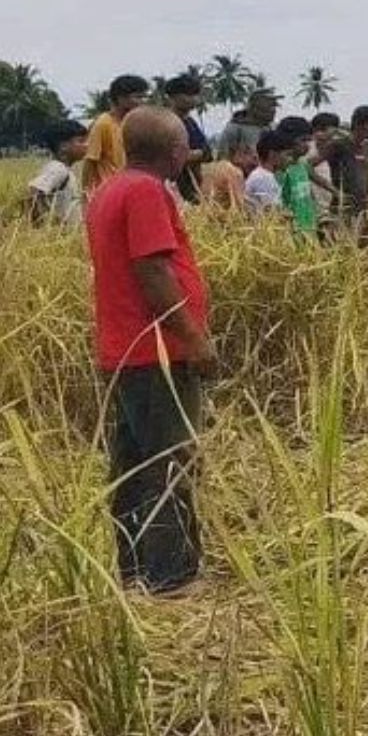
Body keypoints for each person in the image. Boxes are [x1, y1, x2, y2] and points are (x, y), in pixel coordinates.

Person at [85, 106, 213, 594]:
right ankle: (171, 576)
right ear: (175, 151)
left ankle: (135, 568)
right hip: (155, 351)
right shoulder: (145, 191)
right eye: (185, 146)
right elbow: (153, 271)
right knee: (170, 463)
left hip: (124, 349)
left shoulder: (110, 189)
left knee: (134, 465)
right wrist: (193, 338)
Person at [82, 74, 151, 195]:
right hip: (108, 191)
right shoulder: (103, 124)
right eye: (138, 97)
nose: (142, 102)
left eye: (144, 97)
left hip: (128, 189)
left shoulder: (134, 124)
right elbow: (90, 161)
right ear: (121, 98)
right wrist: (86, 193)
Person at [327, 106, 368, 246]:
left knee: (365, 246)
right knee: (342, 248)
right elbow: (309, 167)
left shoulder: (367, 147)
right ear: (359, 124)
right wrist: (335, 192)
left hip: (363, 208)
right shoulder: (339, 145)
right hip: (343, 209)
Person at [26, 119, 88, 226]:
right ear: (63, 146)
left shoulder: (64, 169)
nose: (86, 145)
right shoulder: (58, 169)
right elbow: (34, 191)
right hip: (61, 233)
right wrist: (38, 224)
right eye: (81, 141)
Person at [164, 74, 210, 202]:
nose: (193, 99)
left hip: (193, 183)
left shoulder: (191, 123)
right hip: (173, 183)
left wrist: (194, 154)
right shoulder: (164, 123)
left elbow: (207, 152)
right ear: (173, 97)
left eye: (195, 94)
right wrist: (191, 155)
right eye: (188, 95)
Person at [274, 117, 320, 239]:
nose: (307, 145)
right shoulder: (280, 170)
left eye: (309, 140)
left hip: (309, 228)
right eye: (303, 140)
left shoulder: (302, 165)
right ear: (288, 140)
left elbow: (309, 196)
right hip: (290, 232)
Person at [214, 88, 280, 162]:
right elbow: (223, 159)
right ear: (254, 108)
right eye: (269, 106)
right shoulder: (234, 129)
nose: (274, 110)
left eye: (274, 106)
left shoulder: (273, 128)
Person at [305, 112, 342, 235]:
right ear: (316, 131)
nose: (332, 138)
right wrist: (332, 189)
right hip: (312, 204)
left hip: (330, 203)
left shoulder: (336, 149)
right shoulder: (306, 149)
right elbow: (305, 168)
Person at [246, 130, 295, 216]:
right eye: (287, 155)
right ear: (273, 155)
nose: (290, 159)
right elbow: (271, 213)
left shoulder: (266, 175)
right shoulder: (262, 178)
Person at [197, 141, 251, 212]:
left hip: (210, 212)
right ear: (239, 155)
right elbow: (240, 204)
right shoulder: (235, 172)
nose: (252, 162)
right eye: (250, 156)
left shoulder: (213, 169)